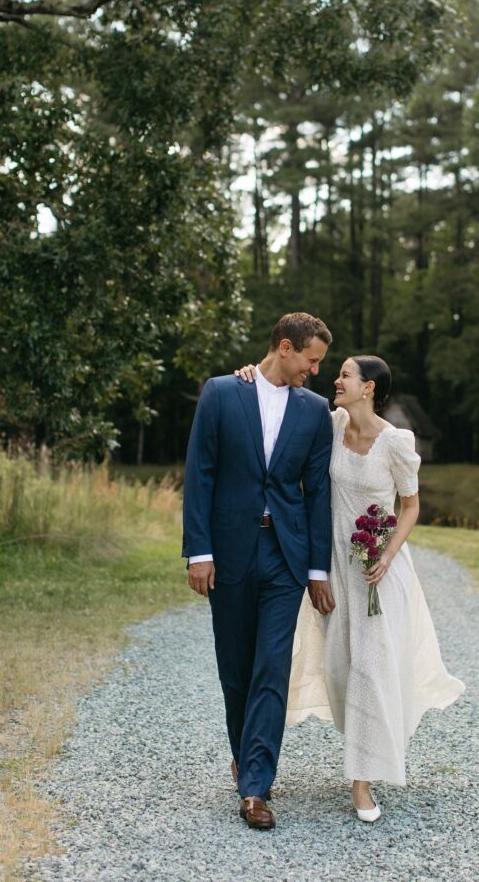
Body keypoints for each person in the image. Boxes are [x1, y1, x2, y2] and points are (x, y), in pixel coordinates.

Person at [236, 355, 465, 822]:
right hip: (334, 569)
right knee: (340, 668)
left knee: (370, 670)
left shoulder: (397, 443)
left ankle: (361, 785)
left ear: (370, 389)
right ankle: (334, 753)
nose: (335, 379)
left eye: (344, 375)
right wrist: (250, 378)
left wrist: (386, 554)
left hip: (376, 573)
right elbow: (280, 398)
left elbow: (411, 506)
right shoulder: (332, 421)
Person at [182, 312, 336, 831]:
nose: (314, 372)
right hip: (228, 551)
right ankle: (245, 754)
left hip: (285, 556)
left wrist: (318, 568)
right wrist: (198, 551)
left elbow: (317, 492)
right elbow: (200, 474)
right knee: (236, 669)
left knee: (272, 666)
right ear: (286, 348)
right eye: (311, 360)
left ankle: (255, 787)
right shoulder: (222, 393)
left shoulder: (315, 412)